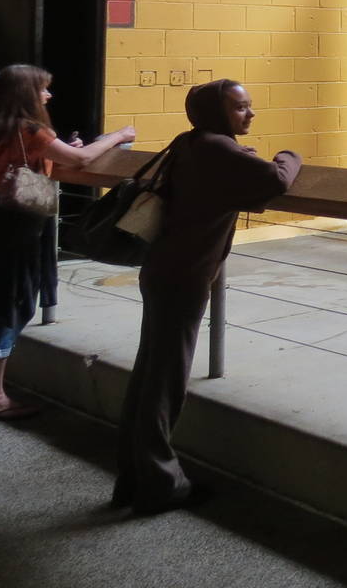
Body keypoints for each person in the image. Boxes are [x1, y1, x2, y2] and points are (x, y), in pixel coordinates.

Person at [113, 79, 299, 515]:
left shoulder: (191, 141)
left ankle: (133, 480)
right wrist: (292, 155)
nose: (249, 114)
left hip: (164, 270)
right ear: (218, 114)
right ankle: (160, 484)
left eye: (249, 106)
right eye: (240, 108)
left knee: (149, 376)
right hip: (184, 276)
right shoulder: (220, 149)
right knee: (164, 382)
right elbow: (276, 179)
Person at [0, 64, 135, 420]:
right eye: (43, 89)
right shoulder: (31, 129)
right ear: (26, 94)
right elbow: (83, 159)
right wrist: (118, 136)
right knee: (12, 305)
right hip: (17, 228)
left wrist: (57, 151)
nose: (48, 95)